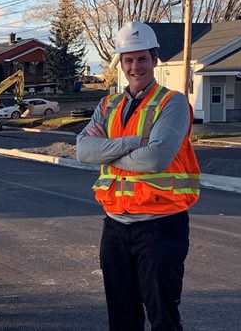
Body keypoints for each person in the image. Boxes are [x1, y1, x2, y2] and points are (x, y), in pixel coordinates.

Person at [76, 21, 201, 331]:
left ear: (154, 59)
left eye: (142, 58)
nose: (135, 66)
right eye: (128, 59)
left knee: (163, 318)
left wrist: (108, 152)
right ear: (121, 63)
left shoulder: (172, 104)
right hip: (115, 228)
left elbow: (156, 158)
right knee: (121, 319)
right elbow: (83, 152)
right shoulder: (108, 105)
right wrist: (134, 143)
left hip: (160, 229)